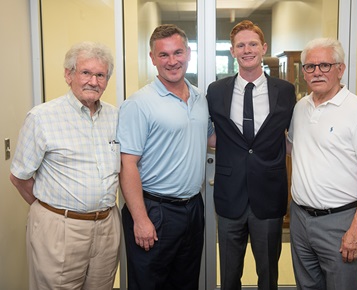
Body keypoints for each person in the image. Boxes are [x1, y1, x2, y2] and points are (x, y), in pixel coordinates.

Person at [9, 41, 121, 290]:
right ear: (68, 75)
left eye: (100, 75)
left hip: (106, 227)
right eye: (86, 73)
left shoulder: (116, 116)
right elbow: (19, 177)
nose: (94, 81)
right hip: (60, 229)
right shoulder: (42, 117)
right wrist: (54, 213)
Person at [117, 24, 215, 290]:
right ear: (152, 58)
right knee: (149, 283)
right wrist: (140, 219)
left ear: (188, 54)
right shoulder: (139, 104)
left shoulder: (199, 98)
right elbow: (127, 164)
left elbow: (210, 140)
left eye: (178, 53)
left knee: (186, 282)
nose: (172, 61)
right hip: (154, 210)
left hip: (193, 208)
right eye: (164, 55)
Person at [286, 37, 357, 290]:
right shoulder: (300, 108)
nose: (317, 72)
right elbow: (296, 149)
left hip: (340, 222)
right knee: (307, 286)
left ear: (340, 69)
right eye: (310, 66)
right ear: (304, 73)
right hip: (300, 218)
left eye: (325, 65)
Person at [206, 20, 296, 290]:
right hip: (229, 197)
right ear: (232, 51)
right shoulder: (216, 91)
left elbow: (295, 136)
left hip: (269, 197)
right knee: (229, 276)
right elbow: (209, 133)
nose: (247, 50)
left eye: (253, 44)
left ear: (264, 47)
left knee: (268, 276)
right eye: (241, 45)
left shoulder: (285, 91)